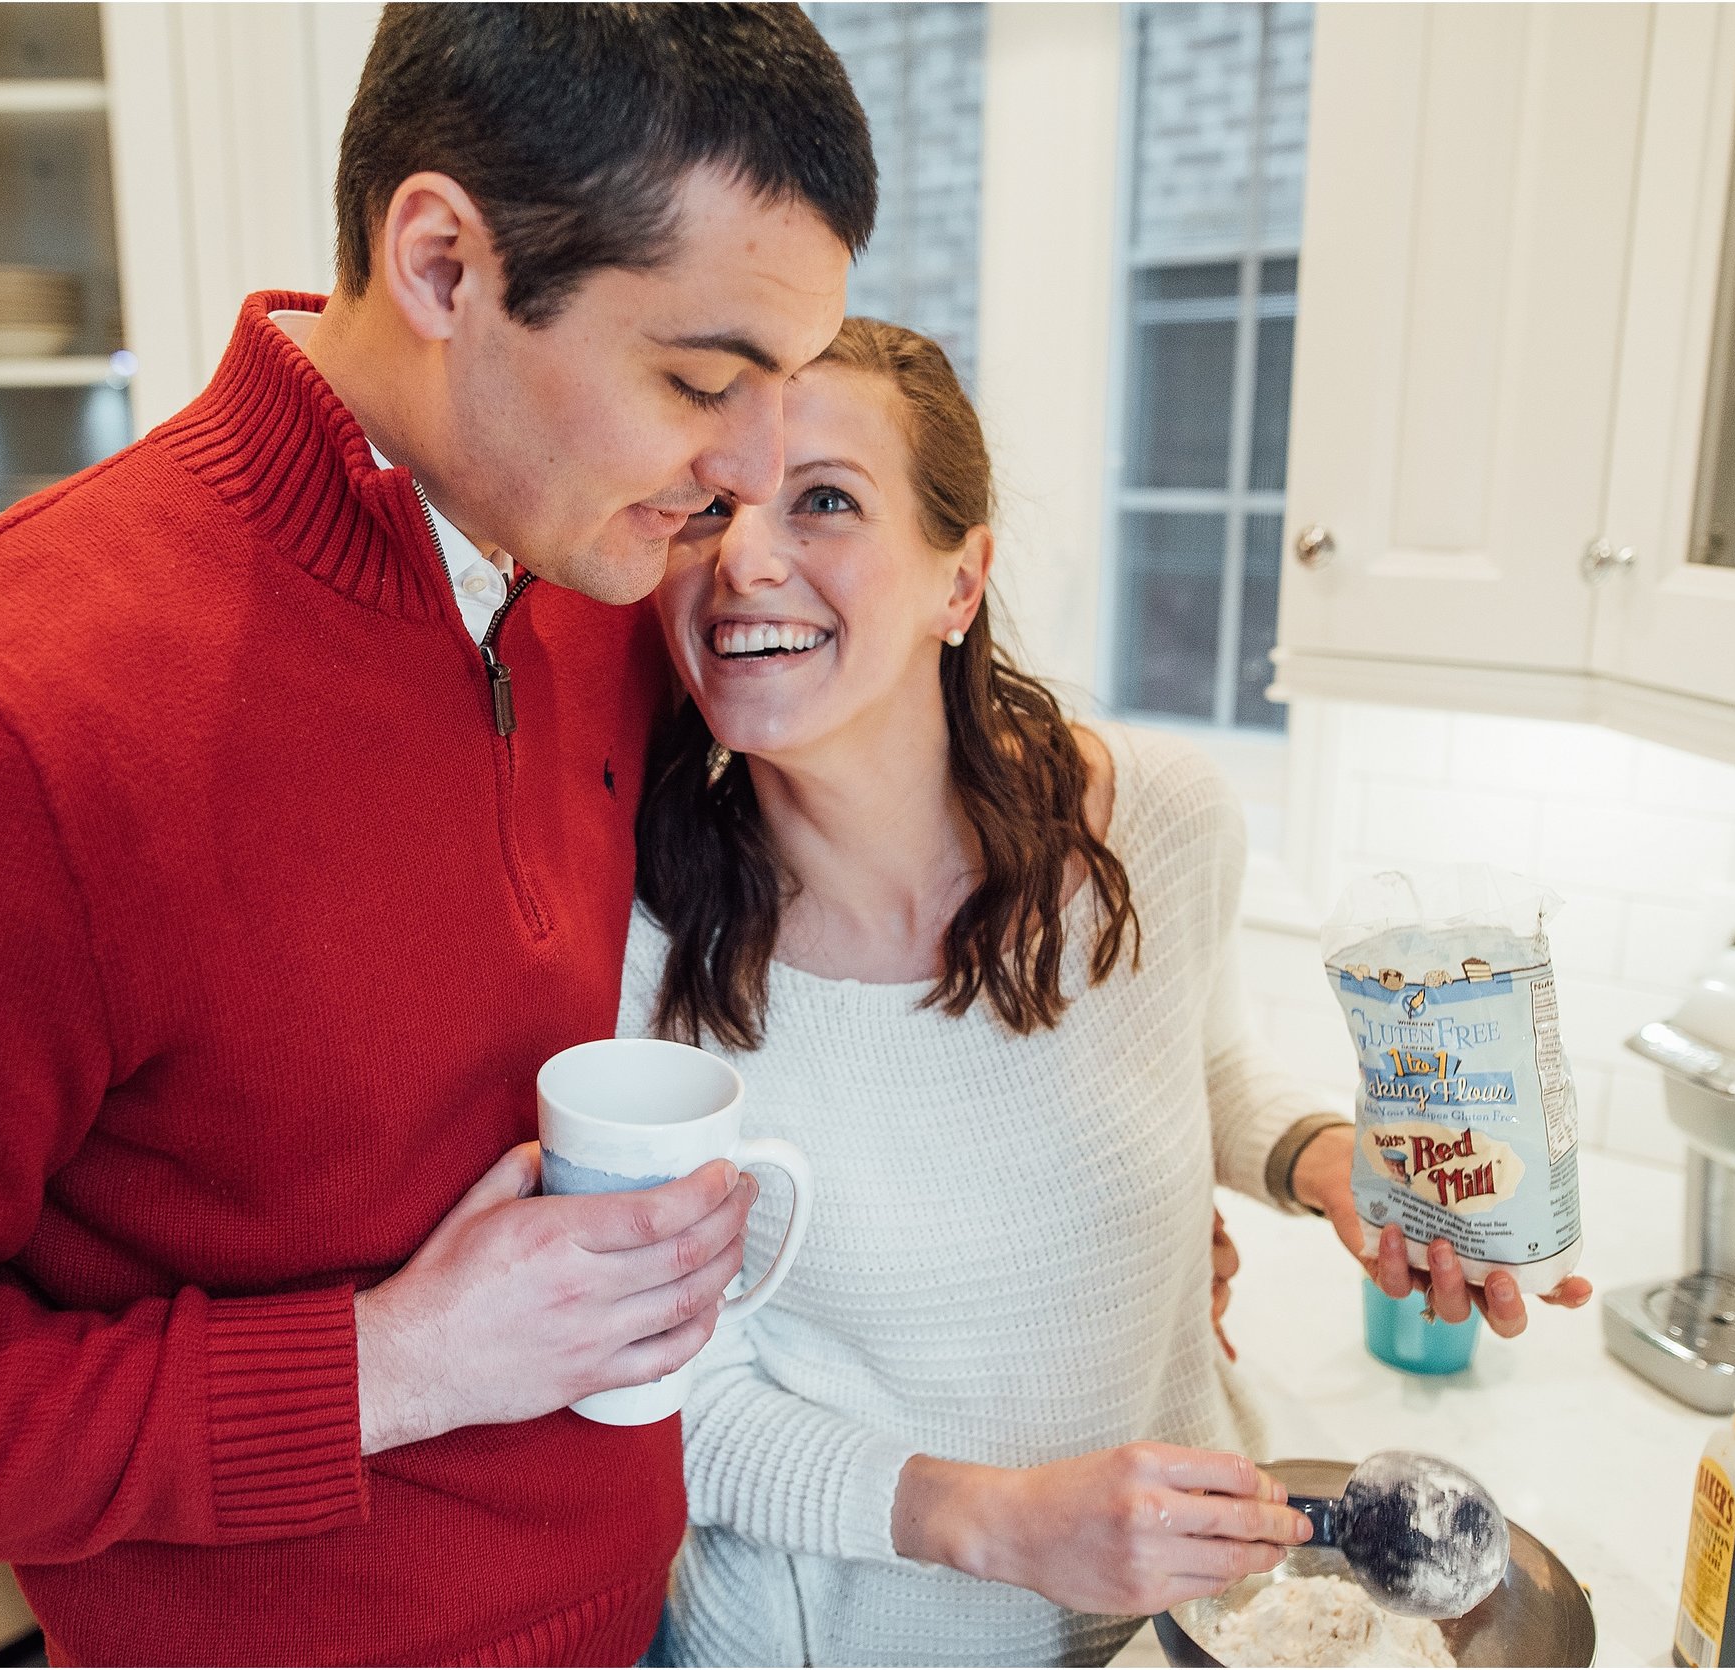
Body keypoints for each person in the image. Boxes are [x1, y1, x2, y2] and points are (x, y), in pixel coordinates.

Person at [0, 9, 874, 1665]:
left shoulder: (589, 569)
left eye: (788, 388)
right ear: (438, 264)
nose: (752, 472)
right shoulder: (21, 717)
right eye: (703, 381)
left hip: (640, 1620)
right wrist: (395, 1360)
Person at [621, 318, 1594, 1666]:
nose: (743, 558)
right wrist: (998, 1519)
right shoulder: (644, 952)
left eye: (825, 500)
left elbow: (1200, 1063)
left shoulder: (1159, 822)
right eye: (709, 507)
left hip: (1196, 1611)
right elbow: (677, 1403)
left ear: (961, 578)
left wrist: (1326, 1163)